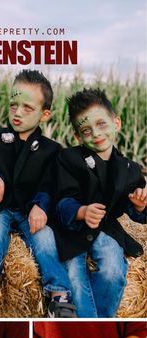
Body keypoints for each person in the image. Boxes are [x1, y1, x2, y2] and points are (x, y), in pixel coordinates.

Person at [0, 69, 76, 318]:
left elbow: (51, 185)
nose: (17, 112)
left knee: (46, 237)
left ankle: (59, 296)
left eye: (27, 107)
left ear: (44, 114)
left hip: (30, 210)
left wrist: (42, 206)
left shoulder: (52, 151)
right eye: (14, 104)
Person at [52, 88, 147, 317]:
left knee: (113, 272)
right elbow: (60, 199)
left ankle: (96, 321)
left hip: (107, 230)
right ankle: (88, 325)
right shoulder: (68, 159)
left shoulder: (131, 170)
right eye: (86, 129)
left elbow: (134, 212)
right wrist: (81, 211)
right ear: (77, 136)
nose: (96, 133)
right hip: (71, 229)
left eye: (102, 124)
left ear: (116, 123)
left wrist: (140, 206)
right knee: (74, 276)